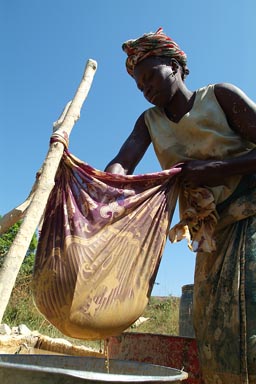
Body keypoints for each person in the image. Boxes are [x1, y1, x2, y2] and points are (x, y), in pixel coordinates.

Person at [105, 28, 256, 384]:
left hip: (250, 220)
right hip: (210, 236)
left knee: (250, 314)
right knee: (214, 327)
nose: (145, 88)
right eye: (139, 85)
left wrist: (215, 169)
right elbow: (123, 163)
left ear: (174, 67)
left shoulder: (218, 97)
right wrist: (105, 185)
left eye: (149, 77)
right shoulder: (149, 122)